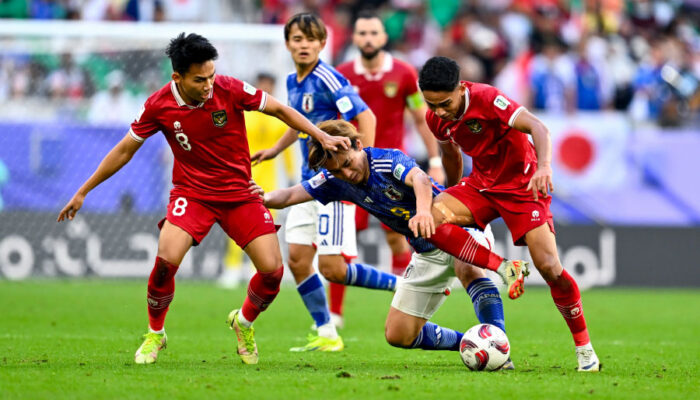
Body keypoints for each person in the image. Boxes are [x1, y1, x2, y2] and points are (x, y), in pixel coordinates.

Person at [56, 32, 350, 366]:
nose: (209, 84)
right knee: (165, 262)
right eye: (200, 79)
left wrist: (321, 134)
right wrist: (83, 191)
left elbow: (281, 110)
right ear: (177, 77)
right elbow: (125, 149)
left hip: (240, 193)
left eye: (211, 75)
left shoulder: (229, 88)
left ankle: (244, 322)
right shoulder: (158, 105)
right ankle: (155, 333)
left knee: (272, 272)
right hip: (192, 194)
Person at [257, 120, 513, 368]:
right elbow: (291, 194)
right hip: (425, 251)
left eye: (347, 163)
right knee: (398, 335)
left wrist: (424, 212)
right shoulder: (335, 181)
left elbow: (421, 180)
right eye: (337, 171)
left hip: (458, 225)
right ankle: (471, 344)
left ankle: (499, 346)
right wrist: (263, 197)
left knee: (467, 268)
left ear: (357, 144)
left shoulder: (386, 159)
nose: (347, 173)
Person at [418, 56, 600, 372]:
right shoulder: (436, 119)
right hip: (481, 186)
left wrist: (544, 167)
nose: (439, 111)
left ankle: (585, 350)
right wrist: (452, 193)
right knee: (430, 218)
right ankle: (504, 268)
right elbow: (450, 153)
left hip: (522, 186)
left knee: (548, 266)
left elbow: (538, 127)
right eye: (432, 105)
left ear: (460, 88)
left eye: (444, 103)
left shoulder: (488, 99)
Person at [251, 13, 395, 352]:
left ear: (322, 44)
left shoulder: (329, 79)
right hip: (307, 182)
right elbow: (297, 120)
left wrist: (365, 164)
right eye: (298, 39)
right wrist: (275, 149)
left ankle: (403, 285)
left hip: (335, 184)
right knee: (299, 260)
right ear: (288, 44)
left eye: (311, 39)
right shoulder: (292, 80)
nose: (304, 45)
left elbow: (366, 116)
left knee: (333, 268)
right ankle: (327, 332)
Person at [329, 11, 446, 322]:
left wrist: (434, 162)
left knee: (398, 236)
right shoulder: (341, 74)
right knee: (343, 237)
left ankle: (406, 295)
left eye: (373, 33)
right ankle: (335, 315)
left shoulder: (405, 73)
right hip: (351, 168)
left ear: (383, 38)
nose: (368, 39)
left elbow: (421, 119)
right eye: (362, 33)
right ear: (354, 38)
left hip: (392, 169)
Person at [218, 72, 296, 289]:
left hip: (269, 179)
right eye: (262, 83)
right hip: (241, 175)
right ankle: (232, 268)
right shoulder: (243, 112)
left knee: (266, 223)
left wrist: (290, 173)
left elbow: (286, 149)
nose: (266, 87)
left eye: (269, 84)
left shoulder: (277, 116)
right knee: (236, 222)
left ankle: (257, 268)